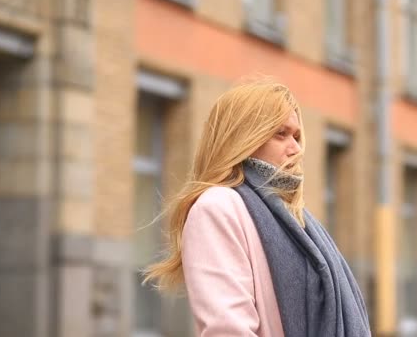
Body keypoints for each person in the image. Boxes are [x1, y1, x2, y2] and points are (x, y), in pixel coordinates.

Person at [143, 78, 371, 337]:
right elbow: (228, 330)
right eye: (280, 134)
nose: (295, 148)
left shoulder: (295, 219)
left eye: (296, 136)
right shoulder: (217, 208)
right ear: (244, 137)